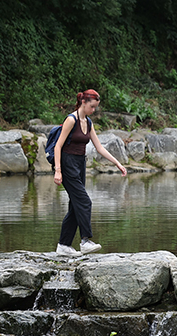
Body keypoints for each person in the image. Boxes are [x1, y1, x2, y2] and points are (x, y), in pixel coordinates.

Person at [53, 89, 127, 257]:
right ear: (83, 103)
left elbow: (99, 147)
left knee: (76, 205)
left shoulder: (88, 122)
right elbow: (58, 146)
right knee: (85, 201)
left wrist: (118, 163)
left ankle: (63, 245)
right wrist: (58, 171)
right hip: (67, 163)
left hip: (80, 164)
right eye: (92, 107)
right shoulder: (71, 120)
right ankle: (85, 241)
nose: (93, 110)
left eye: (95, 108)